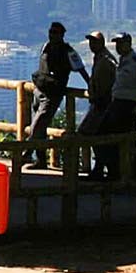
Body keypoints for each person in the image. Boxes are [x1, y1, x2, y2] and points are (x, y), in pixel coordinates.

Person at [23, 21, 86, 169]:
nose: (52, 35)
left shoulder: (68, 51)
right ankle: (41, 160)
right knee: (38, 127)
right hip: (39, 90)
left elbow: (80, 68)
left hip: (53, 95)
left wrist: (91, 85)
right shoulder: (46, 46)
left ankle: (26, 152)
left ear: (62, 35)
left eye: (56, 33)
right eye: (51, 32)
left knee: (38, 124)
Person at [104, 31, 136, 179]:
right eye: (116, 44)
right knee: (110, 137)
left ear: (129, 44)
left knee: (118, 139)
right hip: (117, 103)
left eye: (121, 43)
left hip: (127, 105)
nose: (118, 46)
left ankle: (120, 173)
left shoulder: (135, 61)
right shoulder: (124, 60)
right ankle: (115, 171)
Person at [77, 31, 118, 178]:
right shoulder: (99, 58)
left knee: (94, 135)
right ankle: (101, 168)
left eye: (94, 42)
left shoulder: (106, 60)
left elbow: (112, 82)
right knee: (94, 136)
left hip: (103, 105)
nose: (91, 45)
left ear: (102, 43)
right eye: (90, 42)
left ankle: (104, 169)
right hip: (98, 104)